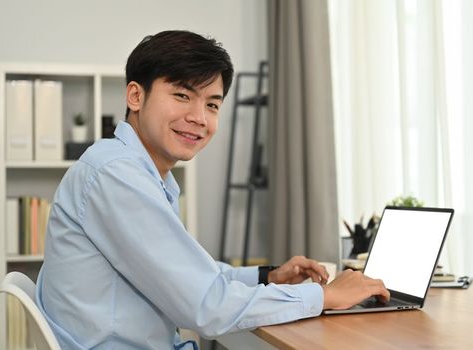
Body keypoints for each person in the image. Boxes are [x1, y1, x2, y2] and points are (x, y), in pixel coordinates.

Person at [36, 30, 390, 350]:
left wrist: (267, 276)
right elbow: (206, 305)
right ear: (135, 96)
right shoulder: (116, 175)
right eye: (181, 95)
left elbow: (192, 273)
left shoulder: (135, 171)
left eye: (212, 104)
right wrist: (325, 296)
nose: (199, 118)